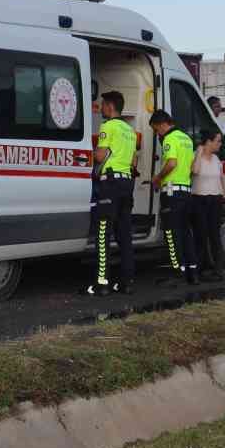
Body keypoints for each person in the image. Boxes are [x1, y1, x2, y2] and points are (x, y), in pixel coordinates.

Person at [88, 91, 138, 295]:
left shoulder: (107, 126)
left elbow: (100, 155)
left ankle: (102, 284)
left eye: (102, 105)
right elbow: (134, 161)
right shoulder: (130, 130)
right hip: (127, 185)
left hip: (110, 184)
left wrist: (87, 154)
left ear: (110, 106)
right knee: (125, 236)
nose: (100, 108)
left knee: (103, 234)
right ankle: (126, 283)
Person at [149, 109, 197, 284]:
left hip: (171, 191)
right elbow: (192, 168)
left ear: (162, 124)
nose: (157, 134)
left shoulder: (169, 139)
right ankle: (192, 272)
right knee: (186, 232)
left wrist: (157, 178)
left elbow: (171, 163)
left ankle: (177, 272)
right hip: (185, 190)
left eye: (156, 130)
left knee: (171, 232)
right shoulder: (186, 138)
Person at [189, 129, 225, 283]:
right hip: (199, 200)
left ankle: (217, 270)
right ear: (208, 142)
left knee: (214, 235)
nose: (220, 144)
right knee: (200, 235)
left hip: (215, 200)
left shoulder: (216, 159)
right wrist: (199, 153)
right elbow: (195, 171)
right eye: (217, 141)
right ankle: (199, 269)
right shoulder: (196, 155)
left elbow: (222, 177)